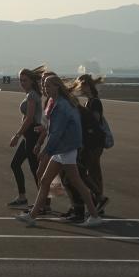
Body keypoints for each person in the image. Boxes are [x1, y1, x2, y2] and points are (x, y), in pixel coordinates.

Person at [15, 73, 101, 228]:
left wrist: (45, 151)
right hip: (63, 148)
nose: (44, 88)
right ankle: (33, 215)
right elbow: (53, 127)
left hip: (66, 148)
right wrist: (43, 129)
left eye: (48, 85)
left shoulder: (61, 105)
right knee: (48, 180)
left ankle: (94, 213)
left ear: (57, 87)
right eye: (43, 85)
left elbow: (57, 133)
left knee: (75, 182)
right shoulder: (55, 102)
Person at [7, 67, 44, 209]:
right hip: (29, 135)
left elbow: (29, 118)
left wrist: (17, 135)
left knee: (36, 169)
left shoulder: (32, 96)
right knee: (15, 164)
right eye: (20, 80)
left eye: (25, 80)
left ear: (32, 81)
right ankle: (22, 197)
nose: (22, 83)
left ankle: (44, 203)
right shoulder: (30, 94)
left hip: (32, 134)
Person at [72, 73, 109, 214]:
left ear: (86, 86)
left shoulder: (94, 102)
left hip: (94, 142)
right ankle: (98, 200)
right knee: (93, 171)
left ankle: (99, 199)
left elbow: (95, 121)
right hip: (93, 142)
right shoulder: (90, 101)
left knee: (90, 172)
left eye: (81, 86)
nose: (79, 89)